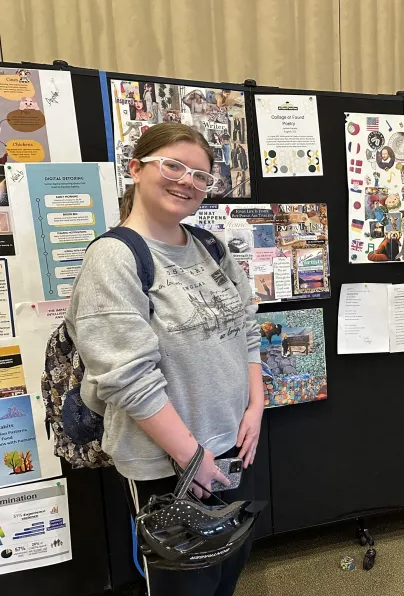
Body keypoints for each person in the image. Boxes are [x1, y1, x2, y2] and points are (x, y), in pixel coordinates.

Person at [64, 123, 264, 596]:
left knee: (224, 574)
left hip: (231, 445)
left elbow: (247, 329)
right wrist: (190, 457)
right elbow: (128, 377)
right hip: (167, 464)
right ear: (135, 169)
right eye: (173, 165)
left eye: (200, 175)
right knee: (184, 586)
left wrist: (256, 407)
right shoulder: (114, 258)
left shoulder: (208, 246)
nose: (187, 181)